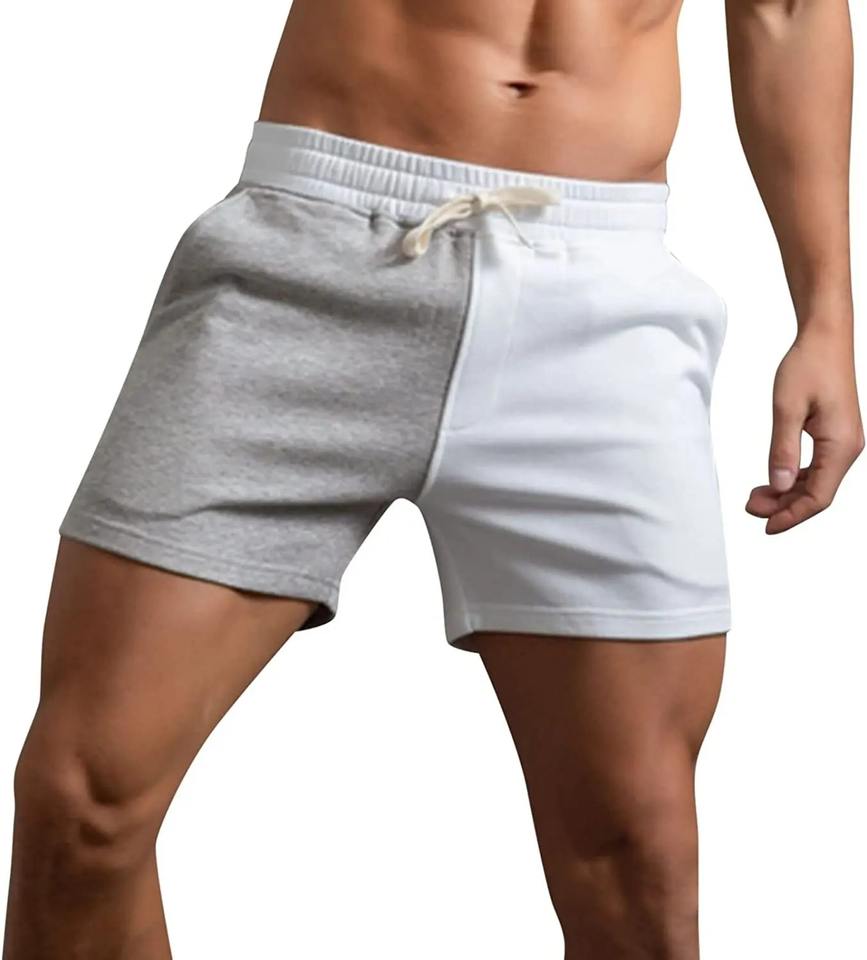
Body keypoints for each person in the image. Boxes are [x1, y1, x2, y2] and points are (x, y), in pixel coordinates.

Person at [3, 1, 862, 958]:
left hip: (601, 297)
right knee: (80, 801)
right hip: (306, 249)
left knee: (636, 866)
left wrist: (825, 316)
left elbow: (787, 10)